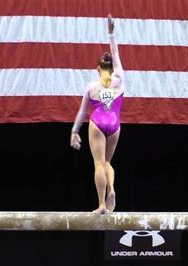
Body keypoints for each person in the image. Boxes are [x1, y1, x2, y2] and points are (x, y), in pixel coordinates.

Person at [70, 14, 124, 214]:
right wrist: (111, 34)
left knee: (98, 163)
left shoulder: (92, 86)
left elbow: (82, 111)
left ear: (97, 69)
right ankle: (112, 190)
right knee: (108, 162)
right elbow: (116, 53)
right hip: (115, 123)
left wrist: (75, 132)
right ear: (111, 68)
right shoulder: (119, 79)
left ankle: (101, 203)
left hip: (98, 122)